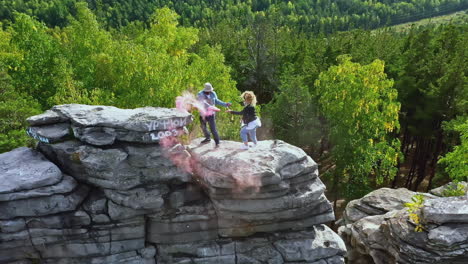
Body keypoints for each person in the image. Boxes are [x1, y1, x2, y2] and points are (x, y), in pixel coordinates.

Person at [197, 83, 231, 147]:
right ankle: (208, 138)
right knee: (203, 127)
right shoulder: (200, 94)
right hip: (203, 113)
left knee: (213, 128)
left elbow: (217, 101)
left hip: (211, 114)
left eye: (210, 90)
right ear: (205, 90)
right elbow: (202, 103)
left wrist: (225, 104)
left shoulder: (213, 93)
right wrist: (211, 107)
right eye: (208, 90)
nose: (210, 91)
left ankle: (217, 142)